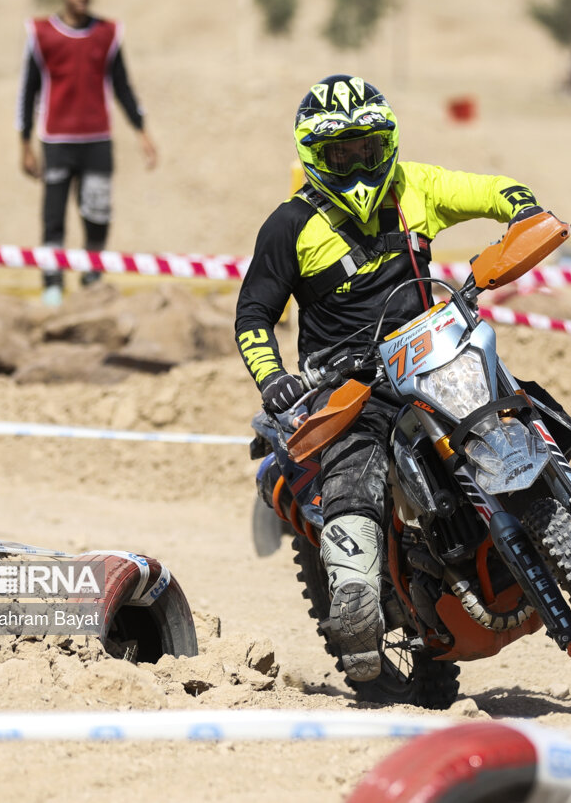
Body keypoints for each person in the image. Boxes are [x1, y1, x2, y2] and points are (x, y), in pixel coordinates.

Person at [235, 75, 548, 681]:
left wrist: (524, 210)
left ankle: (557, 515)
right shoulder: (289, 224)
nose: (355, 164)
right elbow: (254, 315)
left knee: (517, 401)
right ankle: (354, 600)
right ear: (313, 157)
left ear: (388, 144)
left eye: (366, 148)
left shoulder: (417, 186)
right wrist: (272, 377)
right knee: (353, 464)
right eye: (338, 153)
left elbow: (494, 189)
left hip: (431, 356)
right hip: (347, 382)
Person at [16, 0, 158, 307]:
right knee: (53, 216)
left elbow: (123, 86)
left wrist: (142, 131)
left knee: (97, 214)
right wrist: (24, 142)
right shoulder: (42, 34)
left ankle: (92, 277)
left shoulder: (107, 34)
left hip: (97, 141)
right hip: (56, 140)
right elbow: (27, 90)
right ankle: (52, 283)